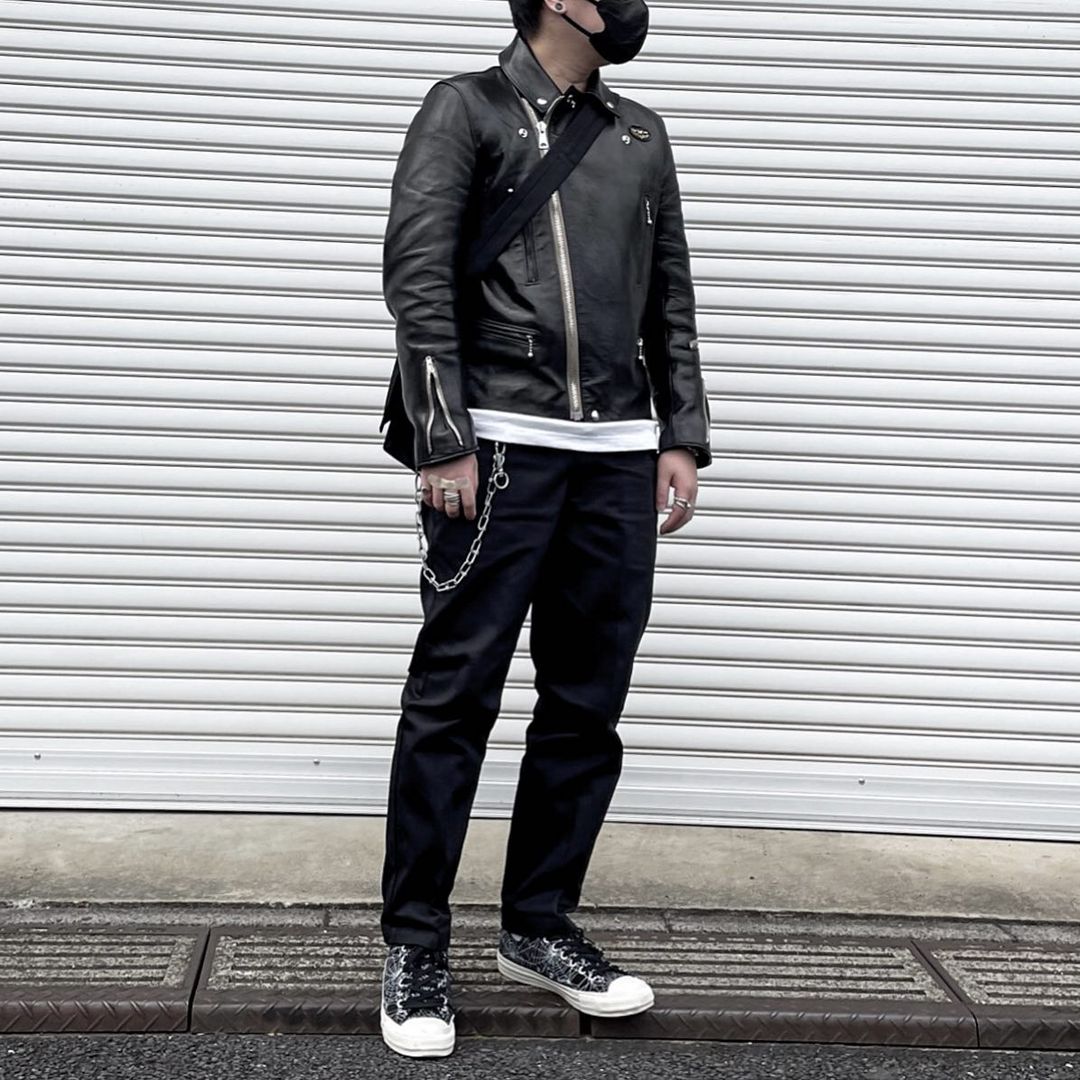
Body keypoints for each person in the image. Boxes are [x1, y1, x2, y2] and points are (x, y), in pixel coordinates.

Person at [377, 0, 712, 1058]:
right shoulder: (465, 109)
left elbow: (671, 296)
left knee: (586, 702)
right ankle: (414, 946)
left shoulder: (640, 133)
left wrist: (681, 434)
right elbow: (418, 277)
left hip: (617, 457)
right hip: (498, 446)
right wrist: (442, 437)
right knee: (454, 696)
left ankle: (538, 925)